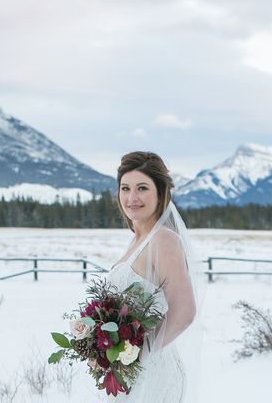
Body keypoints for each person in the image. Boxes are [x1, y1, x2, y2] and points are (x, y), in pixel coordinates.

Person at [106, 151, 205, 402]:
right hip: (128, 370)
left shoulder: (164, 239)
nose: (132, 197)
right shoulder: (137, 240)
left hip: (152, 372)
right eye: (125, 188)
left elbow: (184, 312)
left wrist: (136, 354)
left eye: (142, 188)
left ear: (160, 193)